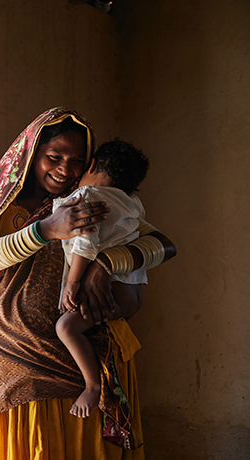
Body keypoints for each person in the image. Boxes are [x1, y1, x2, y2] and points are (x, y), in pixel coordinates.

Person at [0, 108, 176, 460]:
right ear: (31, 154)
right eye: (54, 157)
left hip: (87, 354)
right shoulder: (1, 205)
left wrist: (106, 265)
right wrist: (46, 229)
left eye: (78, 161)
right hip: (15, 361)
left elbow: (163, 245)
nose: (65, 169)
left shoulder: (95, 201)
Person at [54, 140, 151, 419]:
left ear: (92, 165)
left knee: (66, 328)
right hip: (132, 292)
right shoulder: (132, 203)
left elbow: (85, 244)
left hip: (110, 291)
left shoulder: (87, 196)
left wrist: (72, 284)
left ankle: (92, 386)